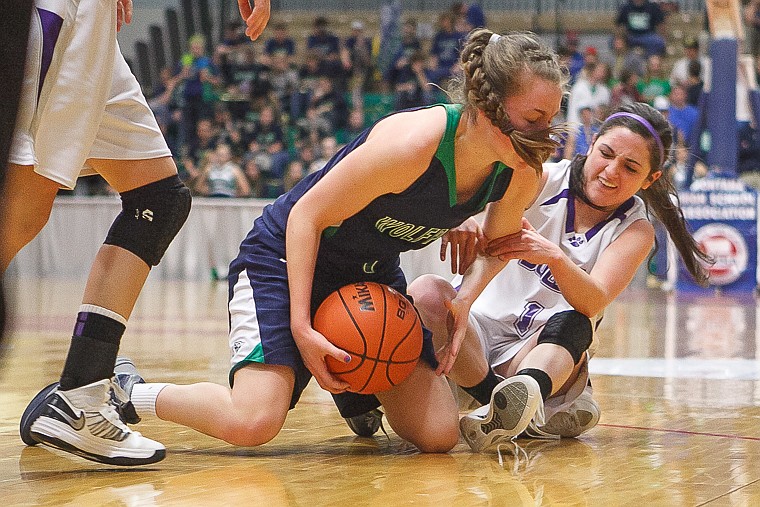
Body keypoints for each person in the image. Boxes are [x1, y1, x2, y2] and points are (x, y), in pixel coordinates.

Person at [112, 30, 568, 454]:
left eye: (550, 118)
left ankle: (354, 390)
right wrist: (301, 328)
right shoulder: (412, 145)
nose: (546, 134)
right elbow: (306, 216)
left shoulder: (521, 173)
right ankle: (128, 391)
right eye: (533, 118)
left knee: (438, 435)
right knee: (253, 422)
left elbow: (498, 245)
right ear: (487, 106)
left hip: (368, 274)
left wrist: (465, 299)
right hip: (285, 256)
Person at [12, 0, 270, 466]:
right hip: (59, 11)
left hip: (91, 22)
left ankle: (81, 399)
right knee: (19, 211)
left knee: (159, 198)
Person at [405, 103, 710, 451]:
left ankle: (522, 402)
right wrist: (460, 217)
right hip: (474, 335)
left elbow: (593, 299)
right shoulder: (540, 178)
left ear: (650, 179)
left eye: (630, 167)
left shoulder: (636, 230)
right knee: (427, 292)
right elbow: (475, 214)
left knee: (578, 321)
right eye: (606, 153)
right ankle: (509, 407)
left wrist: (553, 256)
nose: (611, 171)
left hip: (539, 353)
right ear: (592, 142)